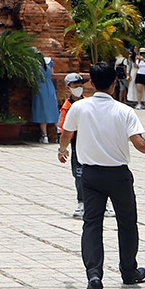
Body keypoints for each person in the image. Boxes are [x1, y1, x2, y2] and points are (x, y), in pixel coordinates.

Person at [61, 59, 145, 289]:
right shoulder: (124, 111)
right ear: (115, 82)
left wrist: (62, 150)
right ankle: (129, 271)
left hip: (90, 175)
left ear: (91, 83)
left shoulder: (79, 107)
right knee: (127, 223)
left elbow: (66, 134)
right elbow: (140, 144)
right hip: (118, 176)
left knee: (92, 224)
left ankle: (94, 275)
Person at [61, 73, 88, 217]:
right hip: (77, 145)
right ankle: (82, 202)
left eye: (80, 84)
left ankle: (104, 204)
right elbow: (64, 130)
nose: (79, 87)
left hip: (92, 144)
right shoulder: (67, 107)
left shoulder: (89, 103)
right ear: (68, 87)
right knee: (79, 175)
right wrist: (62, 149)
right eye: (75, 85)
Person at [29, 51, 61, 144]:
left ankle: (44, 136)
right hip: (49, 87)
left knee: (41, 111)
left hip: (39, 87)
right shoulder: (49, 62)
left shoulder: (34, 63)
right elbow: (52, 73)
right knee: (53, 110)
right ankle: (59, 133)